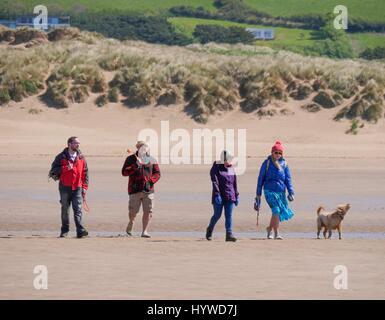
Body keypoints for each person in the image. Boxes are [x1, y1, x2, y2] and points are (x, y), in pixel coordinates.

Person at [49, 136, 89, 238]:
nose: (78, 145)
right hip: (64, 188)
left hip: (77, 188)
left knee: (78, 210)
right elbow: (53, 171)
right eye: (75, 143)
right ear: (69, 144)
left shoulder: (81, 157)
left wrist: (84, 187)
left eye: (78, 143)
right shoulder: (61, 157)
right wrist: (66, 168)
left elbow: (85, 173)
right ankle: (64, 230)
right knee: (65, 210)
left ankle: (80, 230)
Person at [255, 140, 294, 240]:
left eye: (280, 153)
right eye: (276, 152)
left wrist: (291, 192)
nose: (278, 154)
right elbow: (260, 178)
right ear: (272, 152)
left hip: (280, 192)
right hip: (269, 191)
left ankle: (269, 229)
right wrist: (258, 194)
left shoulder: (284, 164)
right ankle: (276, 232)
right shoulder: (267, 163)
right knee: (276, 210)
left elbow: (288, 179)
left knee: (276, 212)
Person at [122, 141, 161, 238]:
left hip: (148, 190)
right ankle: (131, 222)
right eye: (142, 147)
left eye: (146, 147)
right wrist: (135, 165)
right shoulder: (131, 159)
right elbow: (124, 172)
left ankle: (144, 231)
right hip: (134, 189)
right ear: (138, 148)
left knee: (148, 211)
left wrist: (151, 181)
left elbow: (157, 173)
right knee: (133, 212)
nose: (145, 149)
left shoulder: (152, 159)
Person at [206, 150, 239, 242]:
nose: (230, 160)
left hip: (230, 196)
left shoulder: (231, 168)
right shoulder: (216, 167)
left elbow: (234, 183)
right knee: (217, 215)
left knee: (229, 215)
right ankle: (210, 229)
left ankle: (229, 234)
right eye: (228, 159)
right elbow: (214, 181)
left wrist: (236, 195)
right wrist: (217, 194)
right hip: (219, 196)